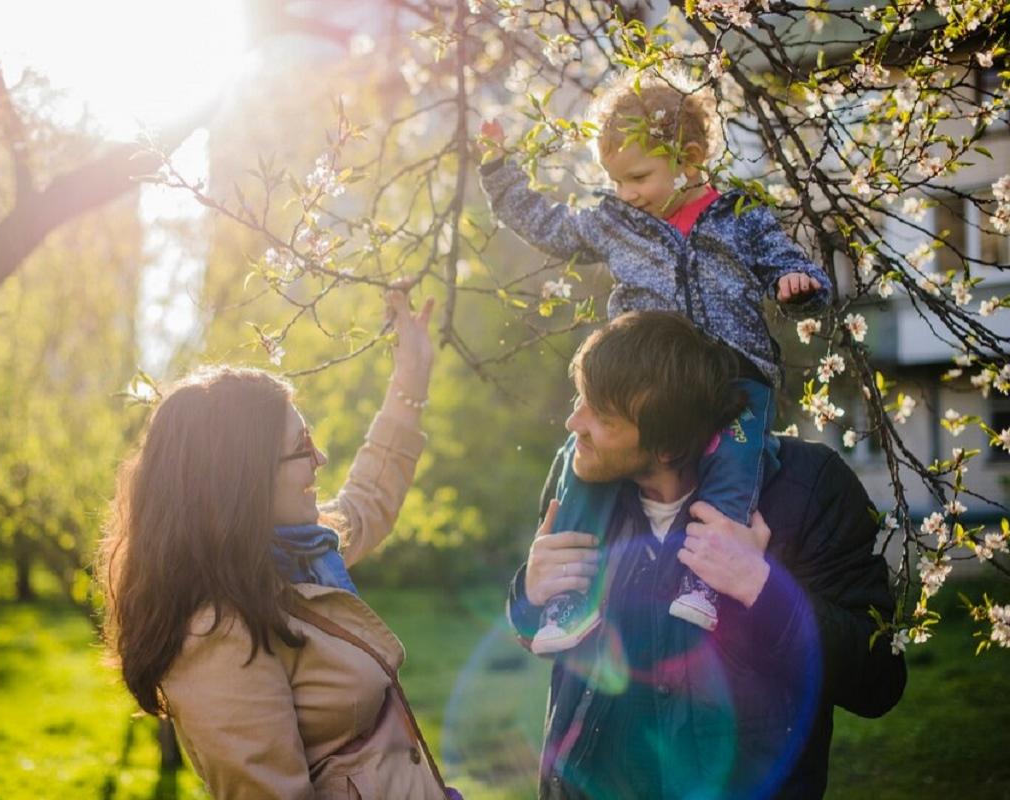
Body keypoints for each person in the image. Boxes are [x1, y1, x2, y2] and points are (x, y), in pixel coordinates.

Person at [479, 68, 834, 652]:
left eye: (638, 177)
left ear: (689, 159)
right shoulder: (618, 222)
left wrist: (800, 285)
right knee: (586, 463)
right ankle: (569, 600)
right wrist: (497, 169)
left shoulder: (740, 214)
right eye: (616, 181)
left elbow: (786, 263)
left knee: (734, 468)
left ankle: (706, 581)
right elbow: (550, 227)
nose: (627, 194)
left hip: (734, 371)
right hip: (643, 376)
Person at [506, 311, 907, 799]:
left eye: (602, 416)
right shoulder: (579, 478)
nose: (574, 424)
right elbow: (543, 633)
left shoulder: (807, 488)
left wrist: (762, 588)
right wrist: (528, 595)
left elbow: (878, 680)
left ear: (669, 447)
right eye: (579, 400)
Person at [99, 289, 455, 799]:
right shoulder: (217, 634)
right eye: (300, 449)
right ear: (242, 479)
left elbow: (368, 500)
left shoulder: (296, 557)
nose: (321, 459)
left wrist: (411, 378)